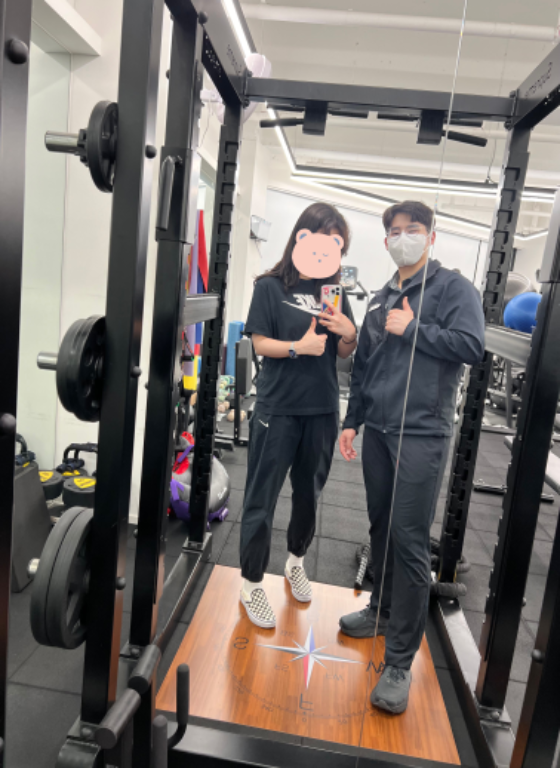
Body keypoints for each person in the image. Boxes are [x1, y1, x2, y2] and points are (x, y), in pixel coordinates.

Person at [338, 200, 485, 714]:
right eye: (396, 232)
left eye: (414, 229)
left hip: (422, 434)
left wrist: (415, 328)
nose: (404, 238)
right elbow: (365, 367)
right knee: (380, 526)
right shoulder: (382, 298)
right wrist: (352, 420)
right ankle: (380, 610)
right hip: (378, 432)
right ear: (386, 242)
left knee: (409, 539)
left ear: (431, 236)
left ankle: (400, 660)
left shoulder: (452, 289)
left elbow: (471, 345)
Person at [239, 202, 357, 628]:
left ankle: (295, 562)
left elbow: (343, 352)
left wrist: (349, 333)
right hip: (278, 408)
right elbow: (258, 343)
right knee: (262, 496)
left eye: (336, 242)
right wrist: (296, 348)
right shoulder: (270, 287)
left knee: (308, 495)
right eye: (320, 237)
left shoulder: (335, 292)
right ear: (301, 238)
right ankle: (251, 583)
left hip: (322, 408)